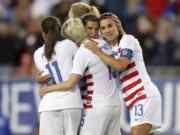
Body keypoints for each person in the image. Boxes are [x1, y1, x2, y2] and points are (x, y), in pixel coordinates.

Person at [39, 18, 121, 135]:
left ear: (72, 39)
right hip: (115, 104)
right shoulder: (103, 43)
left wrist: (46, 89)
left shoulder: (82, 53)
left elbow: (70, 83)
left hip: (97, 106)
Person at [85, 12, 162, 135]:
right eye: (103, 28)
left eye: (110, 26)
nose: (107, 30)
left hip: (143, 95)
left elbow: (121, 65)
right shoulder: (109, 49)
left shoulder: (127, 40)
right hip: (135, 99)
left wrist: (97, 51)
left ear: (118, 25)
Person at [33, 16, 83, 135]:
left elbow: (43, 77)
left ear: (43, 34)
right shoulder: (69, 45)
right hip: (71, 101)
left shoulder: (37, 54)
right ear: (59, 30)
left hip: (49, 103)